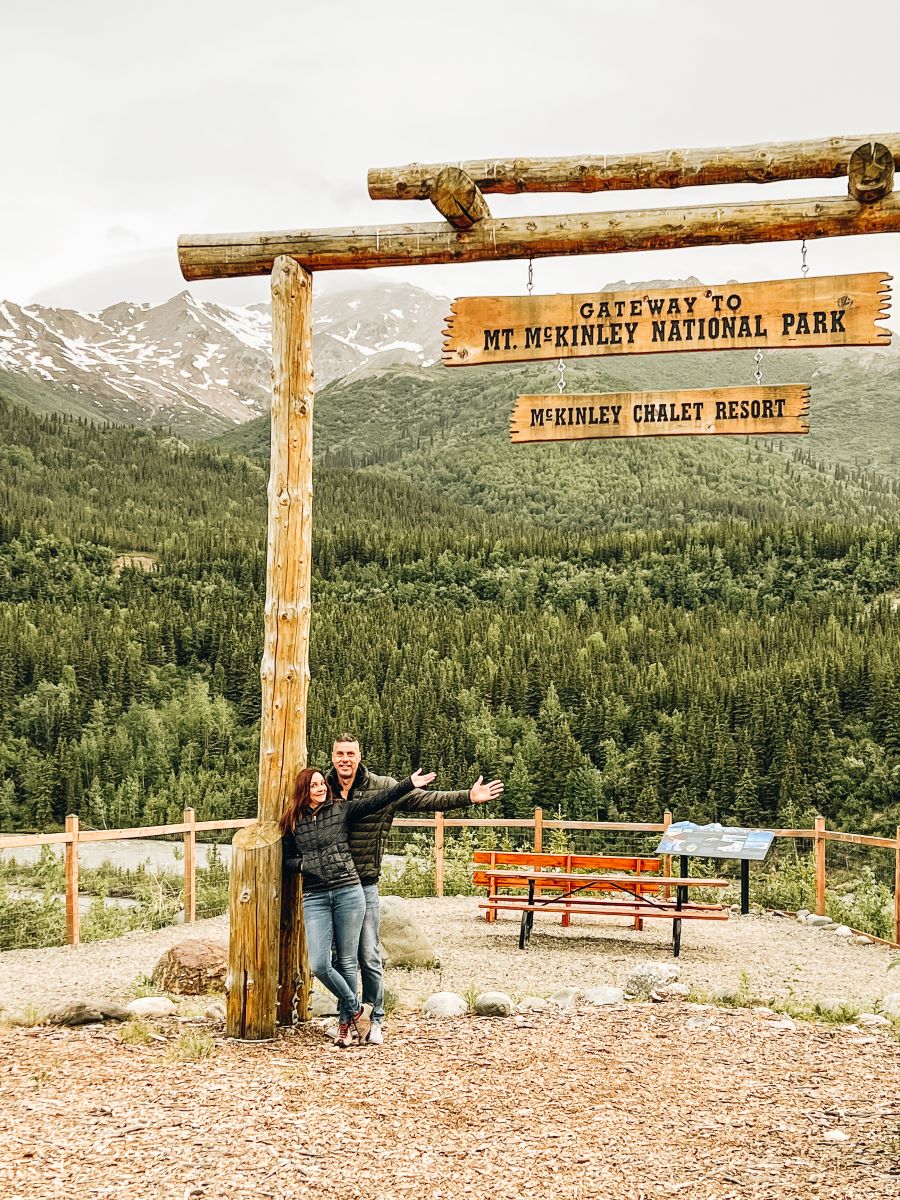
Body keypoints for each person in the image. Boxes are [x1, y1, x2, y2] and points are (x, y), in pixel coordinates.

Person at [326, 733, 503, 1044]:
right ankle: (348, 1020)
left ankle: (375, 1018)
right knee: (341, 959)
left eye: (350, 754)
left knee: (368, 956)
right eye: (340, 753)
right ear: (332, 757)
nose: (345, 759)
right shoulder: (322, 788)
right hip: (334, 885)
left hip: (365, 883)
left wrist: (468, 796)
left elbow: (426, 800)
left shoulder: (384, 787)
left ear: (359, 756)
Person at [280, 764, 435, 1047]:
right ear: (303, 790)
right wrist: (304, 864)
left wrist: (407, 783)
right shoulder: (291, 821)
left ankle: (344, 1027)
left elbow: (377, 801)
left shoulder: (340, 809)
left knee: (349, 961)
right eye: (314, 785)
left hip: (348, 891)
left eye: (321, 785)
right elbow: (286, 860)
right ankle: (356, 1009)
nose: (320, 789)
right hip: (315, 896)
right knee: (319, 964)